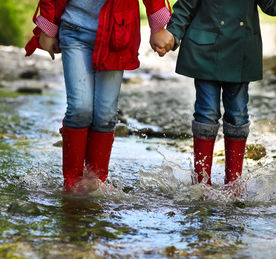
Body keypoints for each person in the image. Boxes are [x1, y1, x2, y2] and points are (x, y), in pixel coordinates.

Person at [153, 0, 276, 188]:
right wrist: (173, 34)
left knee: (238, 114)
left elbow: (271, 5)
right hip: (206, 49)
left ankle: (234, 185)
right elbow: (186, 5)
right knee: (206, 112)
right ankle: (201, 184)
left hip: (240, 50)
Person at [25, 0, 174, 193]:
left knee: (105, 116)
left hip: (117, 31)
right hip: (74, 29)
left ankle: (95, 184)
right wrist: (47, 27)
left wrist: (158, 27)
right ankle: (72, 184)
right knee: (80, 108)